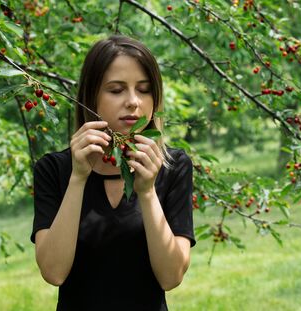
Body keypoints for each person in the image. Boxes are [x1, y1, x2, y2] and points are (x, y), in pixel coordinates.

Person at [30, 35, 196, 311]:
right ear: (91, 96)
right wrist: (78, 177)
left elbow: (171, 277)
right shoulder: (54, 169)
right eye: (116, 90)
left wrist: (146, 191)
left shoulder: (172, 165)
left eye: (143, 90)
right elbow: (53, 272)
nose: (133, 101)